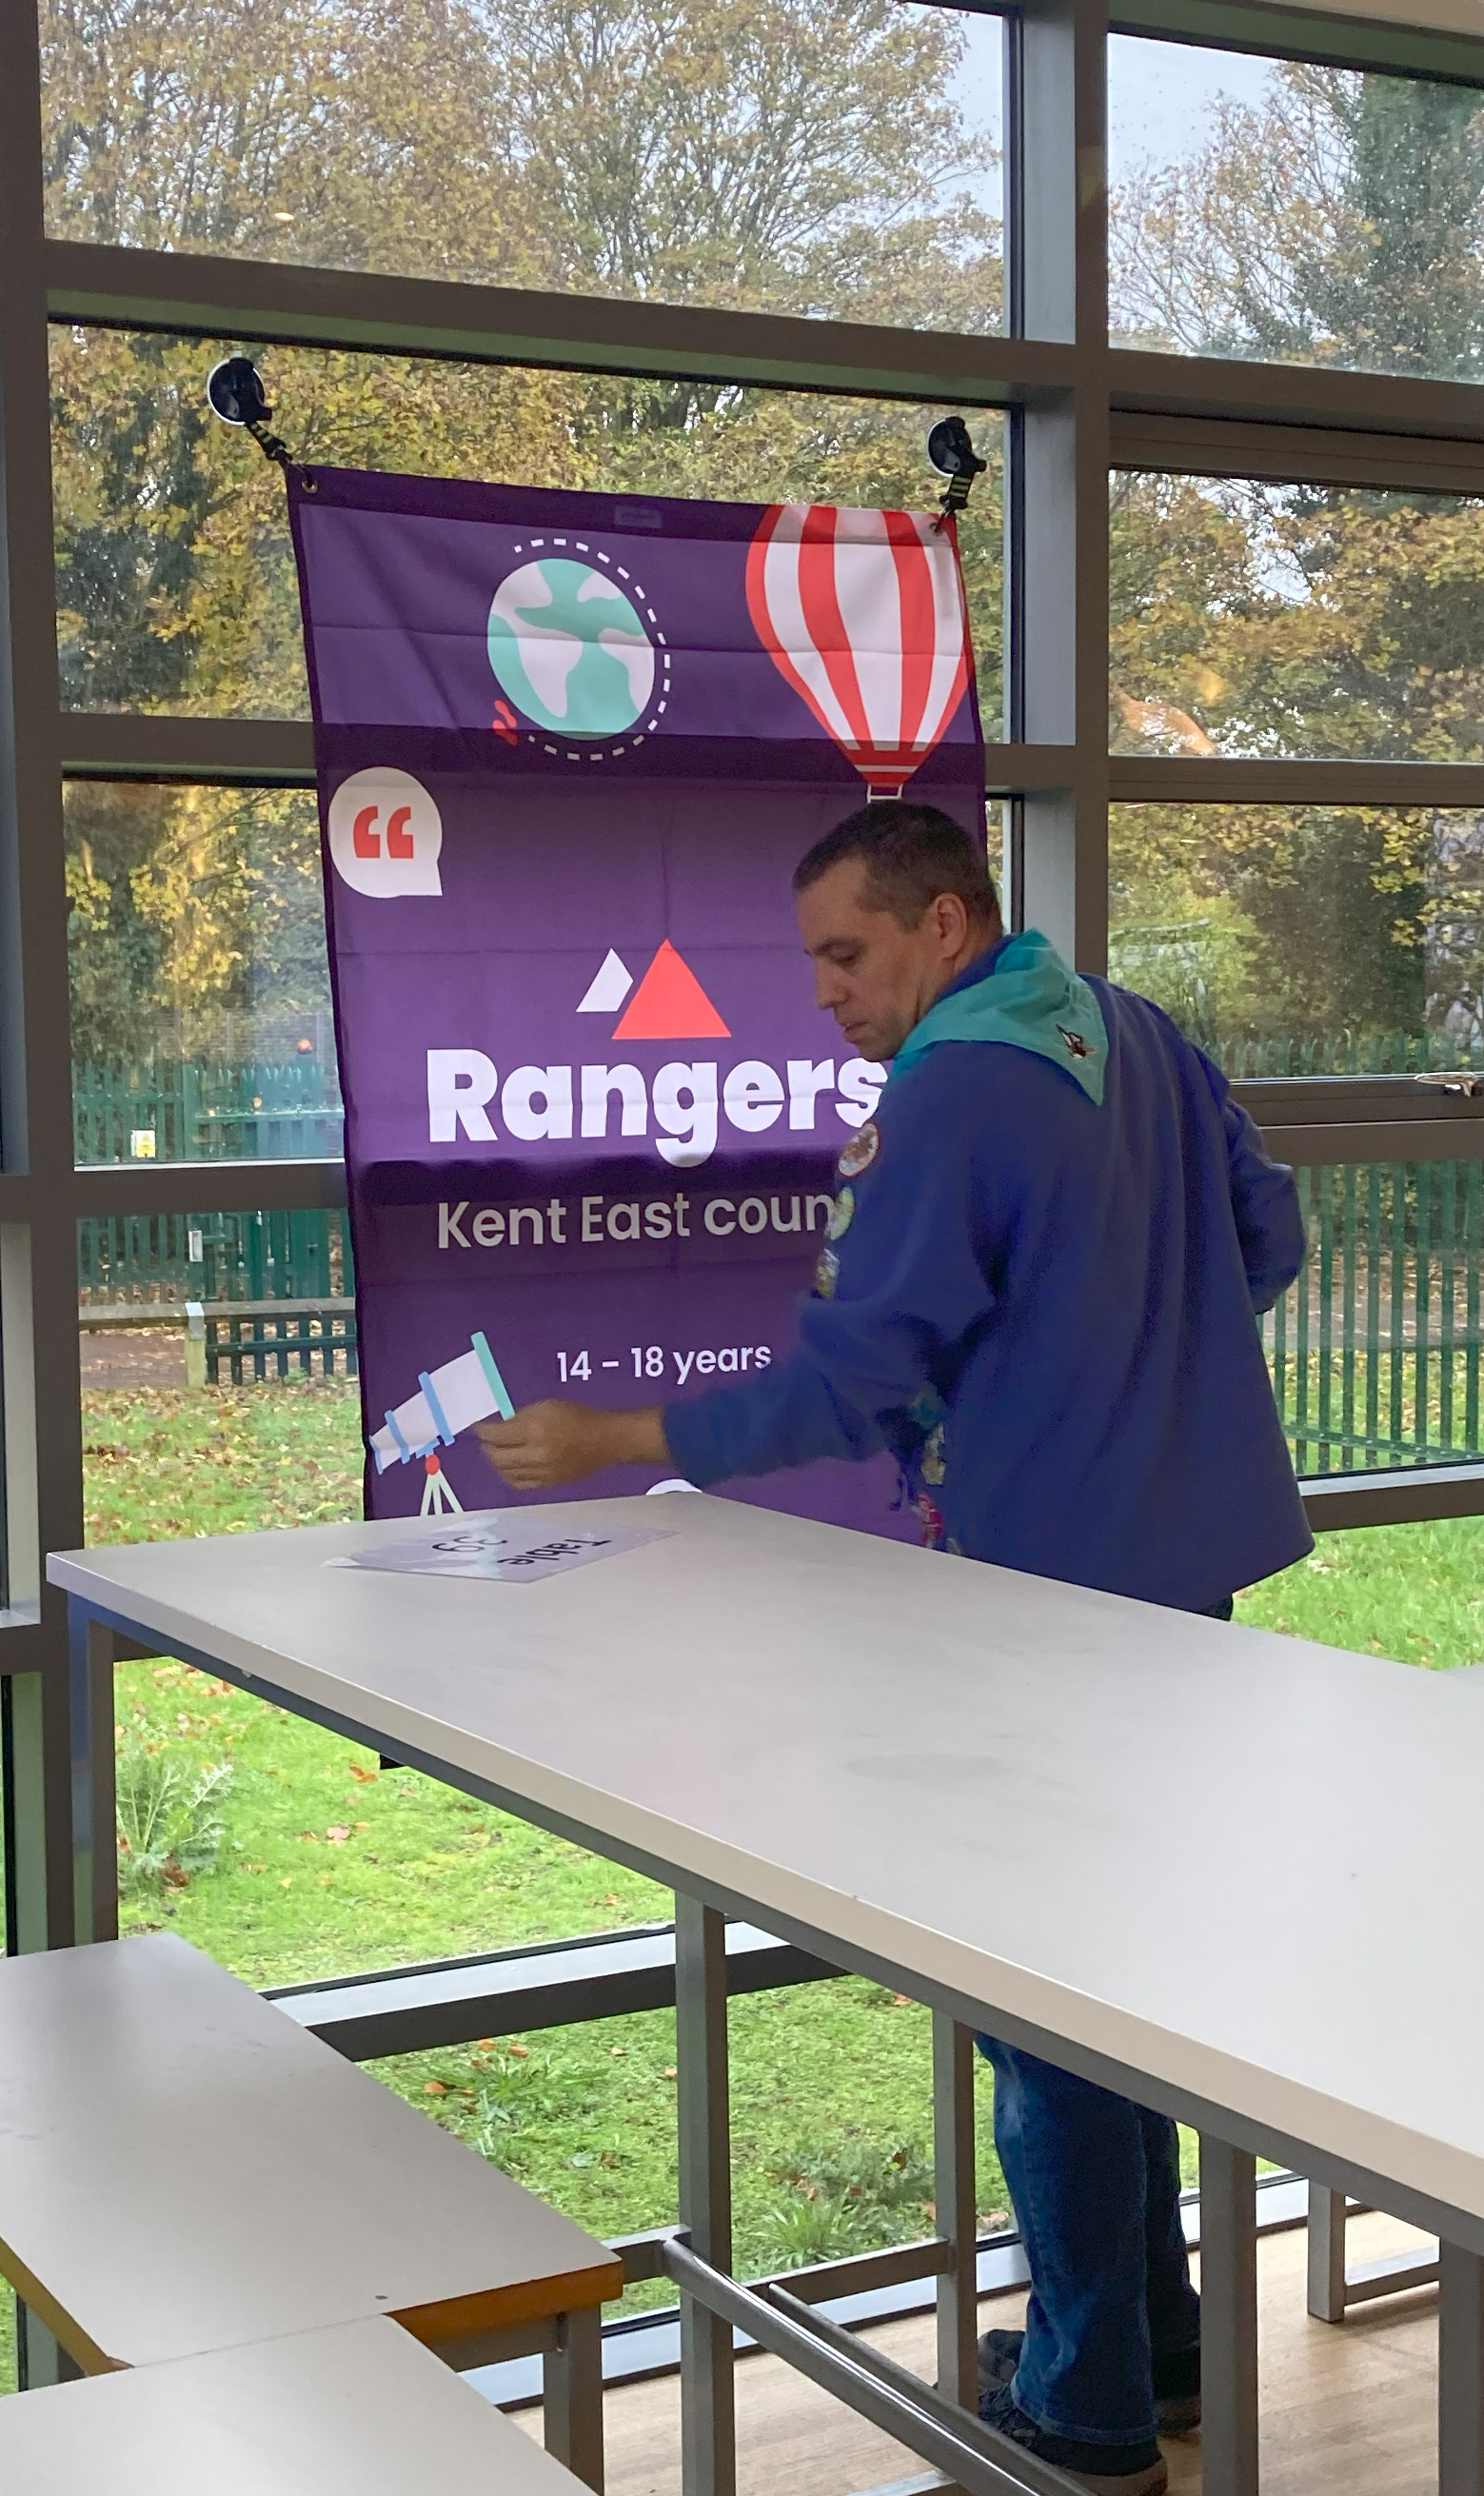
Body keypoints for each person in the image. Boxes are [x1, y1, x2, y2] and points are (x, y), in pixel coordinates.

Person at [475, 799, 1310, 2496]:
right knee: (1118, 1984)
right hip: (1188, 1591)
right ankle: (1147, 2341)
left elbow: (845, 1378)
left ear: (943, 925)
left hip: (1038, 1617)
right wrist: (1131, 1349)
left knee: (1040, 2014)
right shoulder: (1130, 1031)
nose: (825, 995)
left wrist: (614, 1434)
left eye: (843, 955)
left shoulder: (949, 1094)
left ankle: (1082, 2417)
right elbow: (1271, 1240)